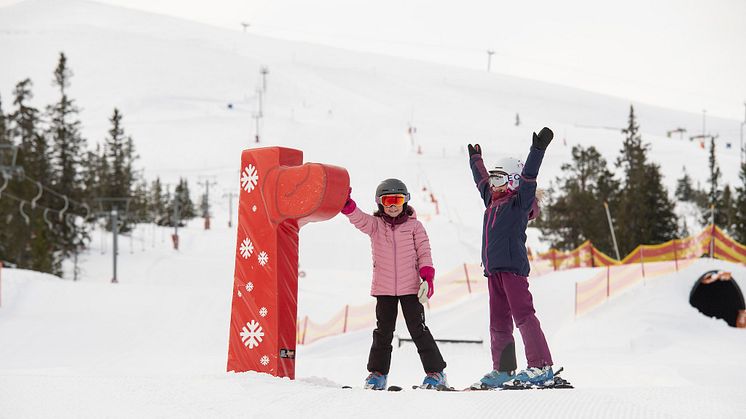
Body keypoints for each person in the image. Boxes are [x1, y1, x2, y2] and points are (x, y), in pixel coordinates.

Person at [467, 127, 556, 389]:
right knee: (498, 321)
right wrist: (476, 161)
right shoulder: (492, 200)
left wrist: (537, 150)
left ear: (514, 181)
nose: (493, 184)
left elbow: (530, 176)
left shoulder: (519, 203)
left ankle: (540, 366)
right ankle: (503, 369)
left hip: (513, 269)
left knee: (523, 315)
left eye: (500, 179)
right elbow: (480, 182)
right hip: (493, 270)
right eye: (494, 180)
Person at [340, 178, 447, 390]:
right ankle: (377, 374)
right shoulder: (375, 225)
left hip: (410, 289)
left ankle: (436, 373)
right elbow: (358, 218)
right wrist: (347, 204)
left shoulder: (415, 227)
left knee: (419, 330)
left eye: (397, 200)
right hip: (384, 289)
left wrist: (428, 278)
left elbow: (424, 253)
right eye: (387, 200)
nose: (392, 205)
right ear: (380, 203)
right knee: (383, 332)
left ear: (405, 201)